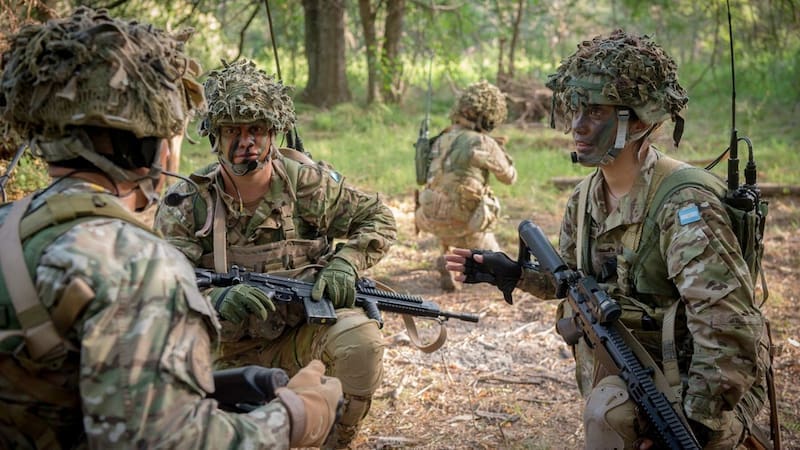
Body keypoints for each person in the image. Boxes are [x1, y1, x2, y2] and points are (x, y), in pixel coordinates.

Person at [0, 7, 341, 449]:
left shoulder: (10, 224)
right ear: (148, 144)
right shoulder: (137, 264)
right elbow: (169, 442)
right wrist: (294, 416)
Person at [446, 30, 770, 449]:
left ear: (638, 121)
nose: (577, 127)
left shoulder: (683, 205)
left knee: (608, 414)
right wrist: (514, 274)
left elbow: (726, 327)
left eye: (596, 112)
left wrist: (698, 424)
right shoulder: (584, 198)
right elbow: (570, 279)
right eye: (573, 111)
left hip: (704, 382)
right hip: (631, 367)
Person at [154, 59, 397, 448]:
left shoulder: (306, 184)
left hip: (301, 336)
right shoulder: (188, 204)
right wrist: (216, 299)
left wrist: (345, 263)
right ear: (215, 136)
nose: (246, 141)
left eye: (257, 130)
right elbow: (162, 288)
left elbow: (378, 217)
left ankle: (336, 438)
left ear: (273, 134)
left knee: (361, 341)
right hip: (223, 352)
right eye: (233, 130)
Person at [415, 80, 517, 292]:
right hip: (465, 224)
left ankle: (446, 255)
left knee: (446, 194)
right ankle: (467, 260)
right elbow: (509, 177)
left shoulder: (440, 138)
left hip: (429, 218)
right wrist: (497, 150)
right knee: (500, 264)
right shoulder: (482, 142)